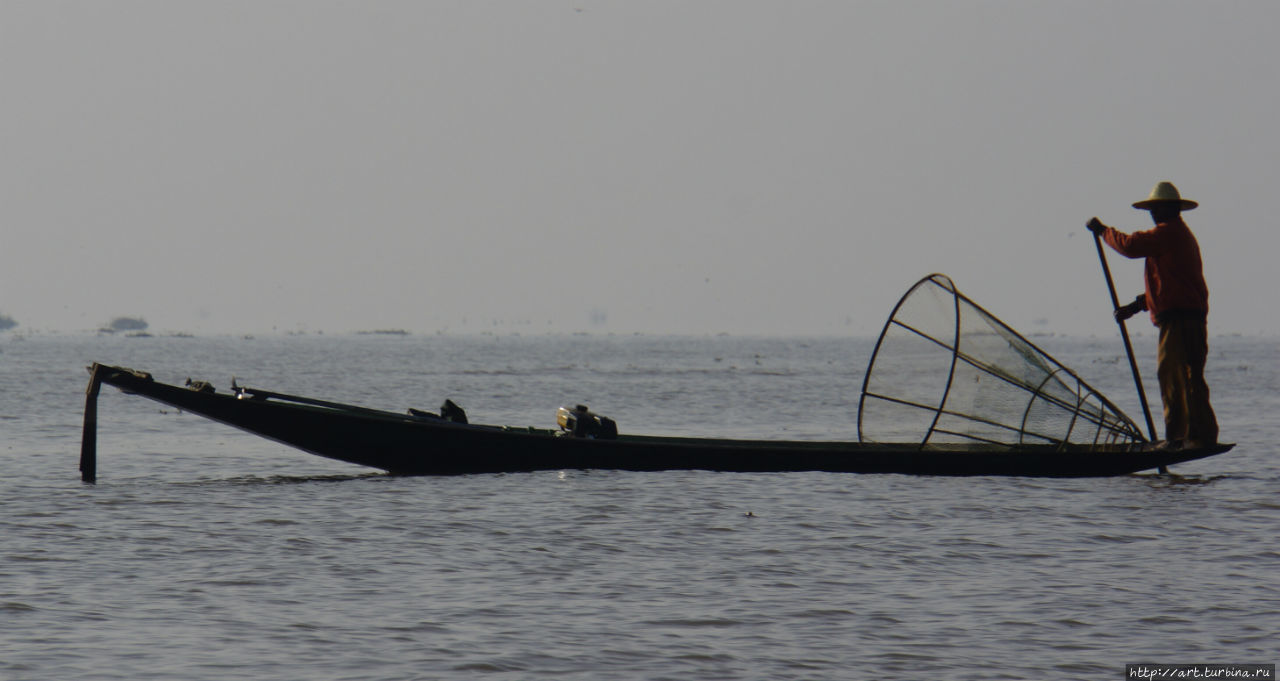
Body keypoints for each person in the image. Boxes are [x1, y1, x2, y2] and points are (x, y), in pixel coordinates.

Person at [1086, 181, 1218, 447]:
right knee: (1187, 376)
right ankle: (1197, 435)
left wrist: (1103, 231)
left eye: (1157, 208)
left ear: (1171, 209)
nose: (1153, 213)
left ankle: (1181, 438)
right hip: (1184, 316)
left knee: (1173, 375)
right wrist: (1134, 308)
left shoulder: (1169, 233)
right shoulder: (1174, 238)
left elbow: (1130, 246)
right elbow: (1166, 286)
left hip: (1181, 319)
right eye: (1152, 209)